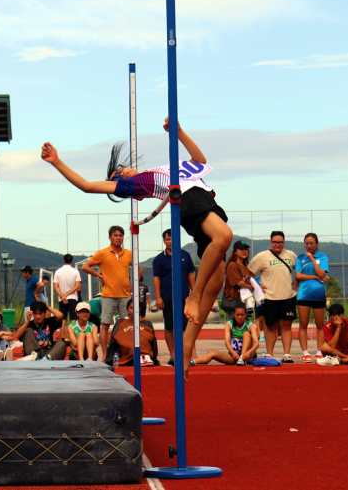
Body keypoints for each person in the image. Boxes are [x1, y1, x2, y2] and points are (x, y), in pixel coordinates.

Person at [43, 117, 232, 379]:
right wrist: (57, 162)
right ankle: (194, 295)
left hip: (204, 199)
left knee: (218, 276)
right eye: (117, 178)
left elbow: (199, 161)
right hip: (188, 201)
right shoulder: (138, 183)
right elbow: (87, 186)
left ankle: (187, 344)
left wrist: (179, 132)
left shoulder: (166, 167)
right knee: (224, 237)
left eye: (120, 171)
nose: (121, 174)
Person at [80, 226, 133, 361]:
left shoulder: (129, 253)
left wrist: (134, 284)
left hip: (125, 296)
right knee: (105, 325)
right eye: (115, 235)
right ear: (110, 237)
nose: (118, 238)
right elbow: (85, 266)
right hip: (108, 295)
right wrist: (100, 275)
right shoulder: (102, 253)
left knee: (126, 325)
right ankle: (105, 355)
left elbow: (138, 268)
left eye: (121, 235)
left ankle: (125, 354)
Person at [249, 231, 298, 362]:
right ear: (271, 243)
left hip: (288, 296)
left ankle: (287, 354)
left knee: (286, 326)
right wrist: (257, 287)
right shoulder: (261, 256)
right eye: (275, 242)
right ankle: (269, 354)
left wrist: (297, 280)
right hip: (269, 297)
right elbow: (249, 273)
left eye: (280, 242)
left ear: (284, 243)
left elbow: (299, 270)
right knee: (270, 326)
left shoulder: (291, 255)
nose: (278, 244)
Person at [151, 228, 196, 365]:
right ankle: (173, 356)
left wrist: (194, 294)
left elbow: (190, 275)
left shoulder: (185, 256)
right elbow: (156, 279)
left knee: (188, 327)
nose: (170, 242)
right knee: (169, 327)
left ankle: (192, 355)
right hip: (167, 298)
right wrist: (158, 297)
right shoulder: (159, 259)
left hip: (184, 298)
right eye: (168, 239)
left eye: (173, 238)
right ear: (164, 241)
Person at [295, 232, 329, 363]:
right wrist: (314, 277)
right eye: (307, 243)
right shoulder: (300, 258)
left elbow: (322, 274)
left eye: (311, 243)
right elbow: (298, 275)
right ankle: (305, 352)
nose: (309, 246)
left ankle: (319, 351)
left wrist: (313, 260)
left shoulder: (323, 257)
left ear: (316, 244)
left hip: (319, 294)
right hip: (304, 294)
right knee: (303, 324)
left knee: (320, 324)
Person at [104, 298, 158, 367]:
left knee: (143, 339)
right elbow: (115, 337)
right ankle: (139, 357)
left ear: (140, 309)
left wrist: (154, 358)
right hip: (128, 349)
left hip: (144, 347)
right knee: (131, 341)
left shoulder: (147, 323)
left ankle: (145, 356)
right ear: (127, 309)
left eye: (136, 308)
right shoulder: (121, 322)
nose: (134, 311)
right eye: (131, 308)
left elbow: (152, 339)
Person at [221, 241, 254, 316]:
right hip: (234, 300)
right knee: (233, 325)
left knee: (243, 326)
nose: (244, 251)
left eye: (245, 249)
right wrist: (251, 287)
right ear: (235, 252)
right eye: (241, 249)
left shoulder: (245, 267)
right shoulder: (232, 265)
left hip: (243, 302)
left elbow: (252, 280)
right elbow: (238, 282)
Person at [53, 254, 82, 330]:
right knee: (73, 319)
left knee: (63, 320)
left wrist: (62, 295)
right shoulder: (75, 271)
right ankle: (72, 338)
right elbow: (77, 286)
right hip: (72, 297)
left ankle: (62, 339)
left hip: (61, 299)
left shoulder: (57, 272)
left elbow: (56, 286)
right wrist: (67, 294)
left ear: (63, 261)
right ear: (72, 261)